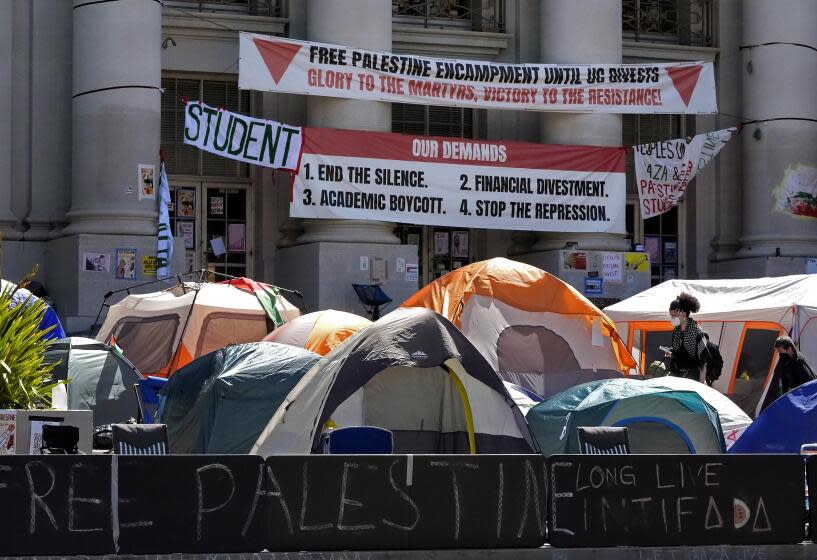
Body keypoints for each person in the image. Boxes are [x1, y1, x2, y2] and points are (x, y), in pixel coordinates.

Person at [665, 292, 708, 382]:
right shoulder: (676, 330)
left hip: (693, 378)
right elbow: (679, 354)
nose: (672, 318)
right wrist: (671, 353)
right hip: (678, 376)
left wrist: (701, 385)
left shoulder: (696, 331)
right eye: (671, 315)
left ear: (684, 314)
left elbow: (703, 362)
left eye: (674, 315)